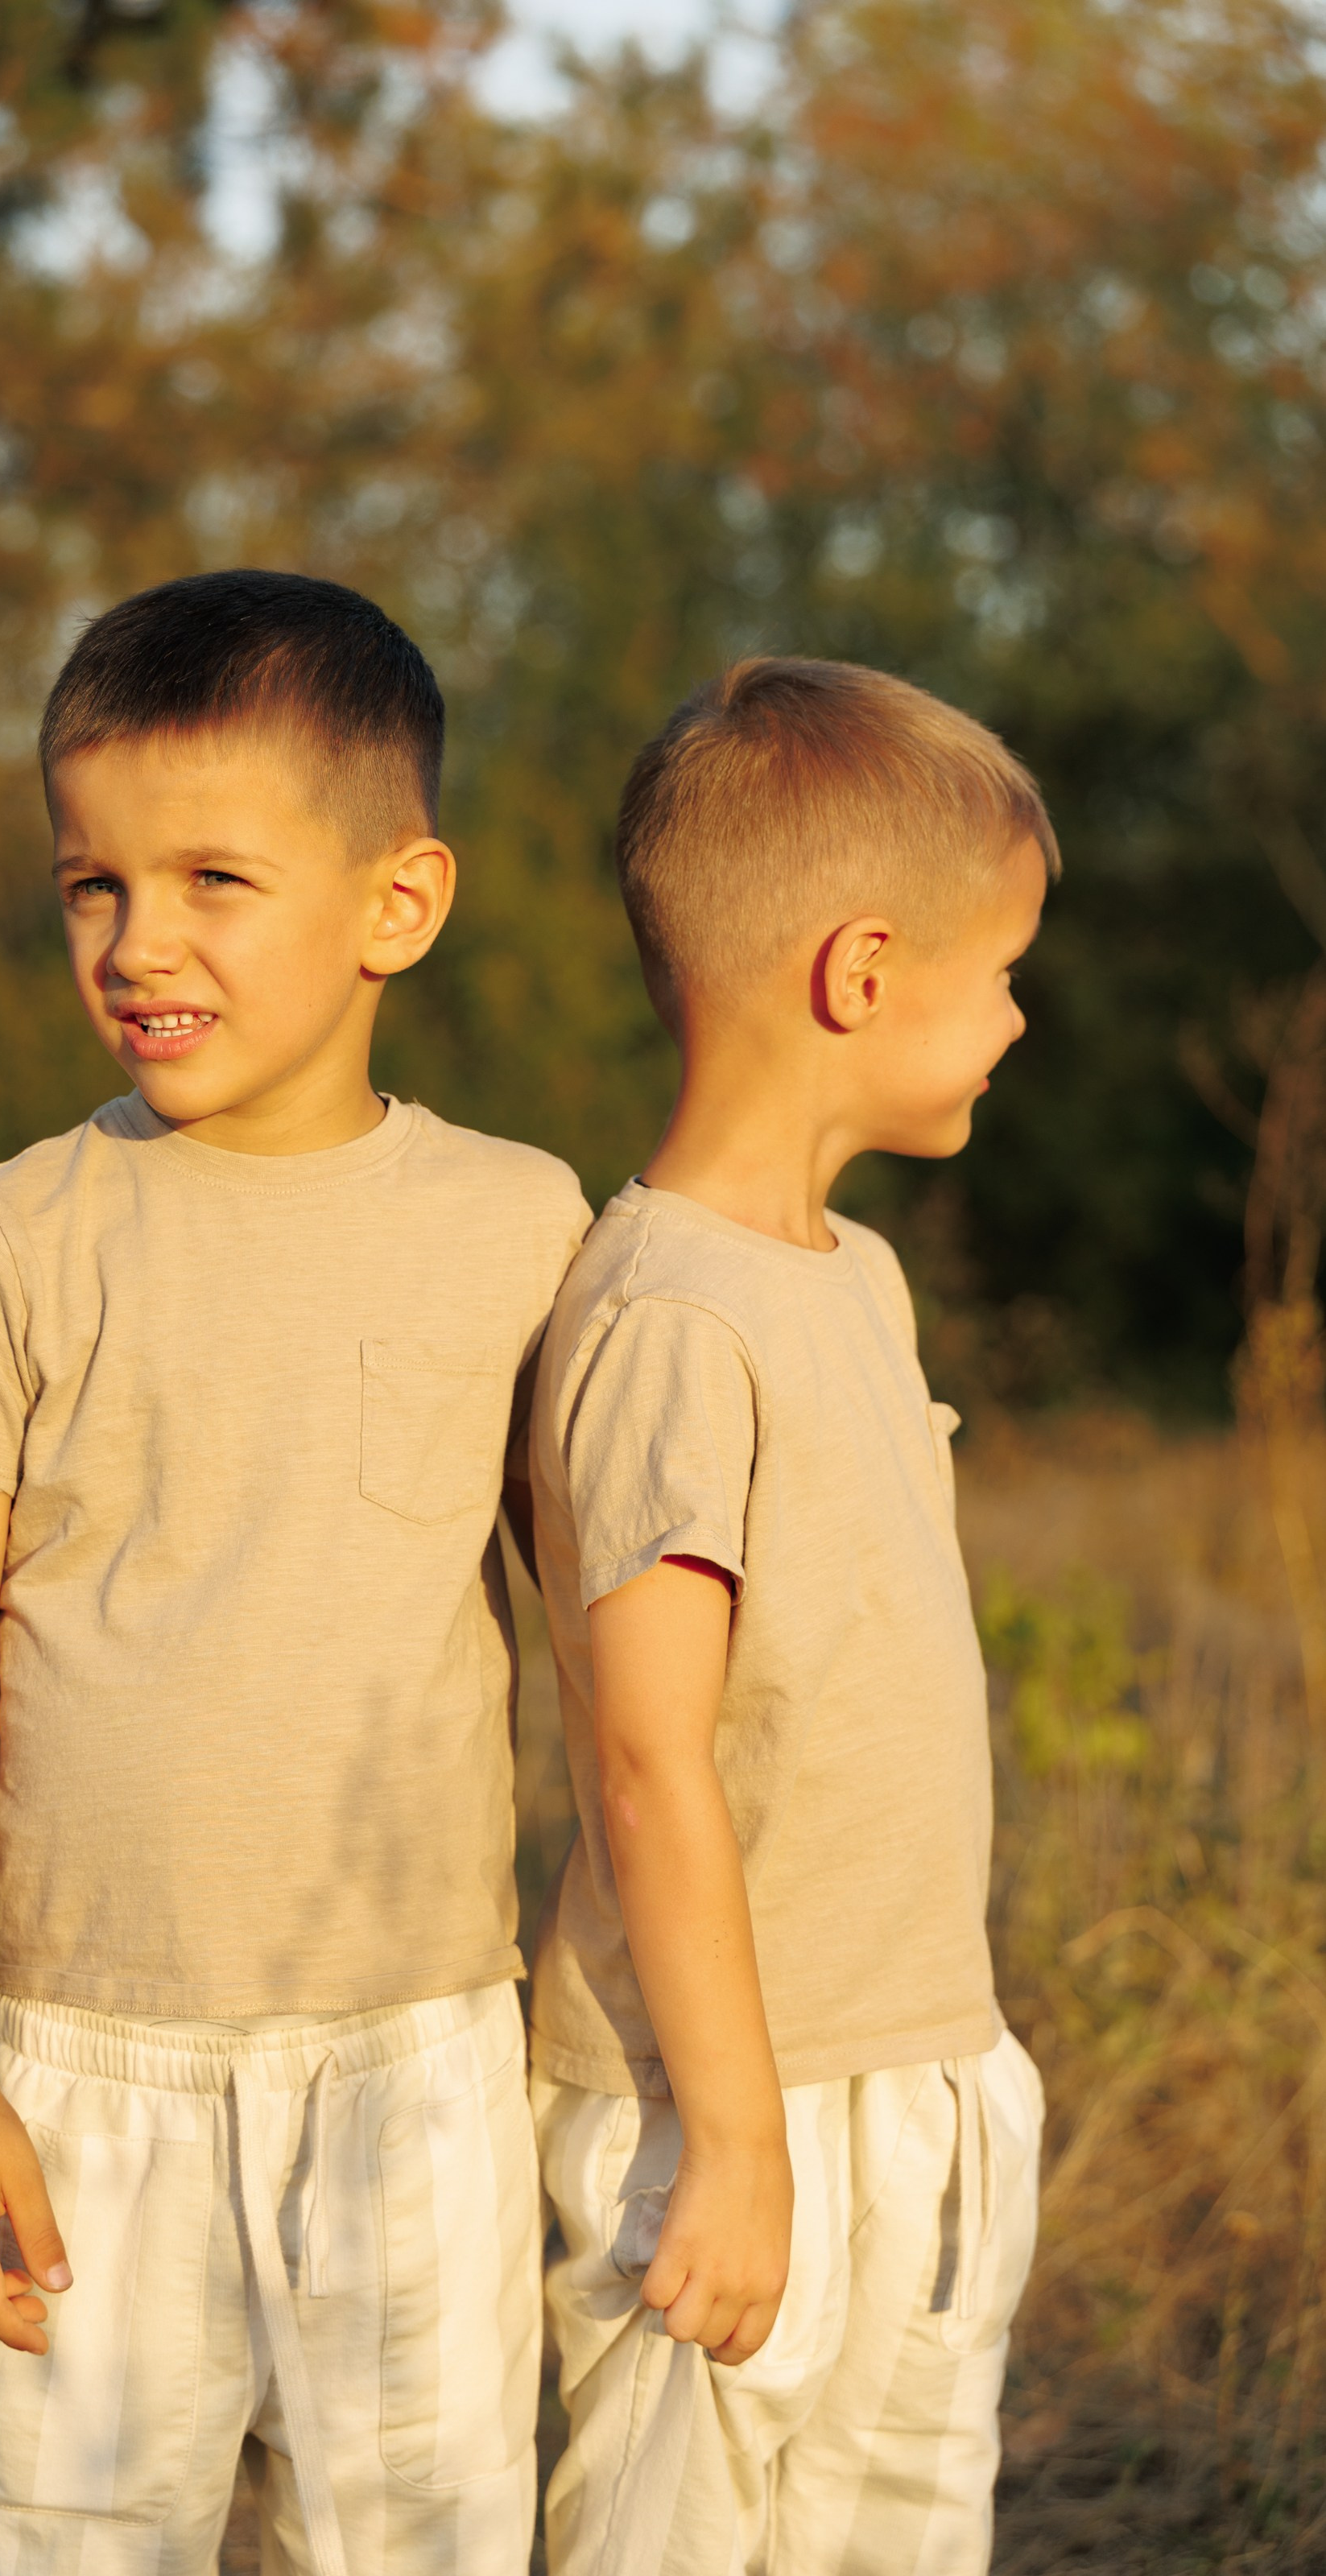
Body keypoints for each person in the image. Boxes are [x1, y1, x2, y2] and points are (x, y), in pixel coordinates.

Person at [0, 570, 590, 2576]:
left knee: (420, 2542)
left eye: (210, 882)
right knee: (73, 2536)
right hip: (80, 2060)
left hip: (416, 2050)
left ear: (394, 908)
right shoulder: (3, 1241)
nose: (137, 941)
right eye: (92, 884)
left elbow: (626, 1664)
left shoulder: (522, 1228)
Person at [527, 655, 1055, 2576]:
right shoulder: (668, 1313)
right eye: (998, 969)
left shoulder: (852, 1280)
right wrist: (738, 2148)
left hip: (898, 2054)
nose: (1014, 1016)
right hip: (724, 2101)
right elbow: (647, 1751)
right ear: (857, 972)